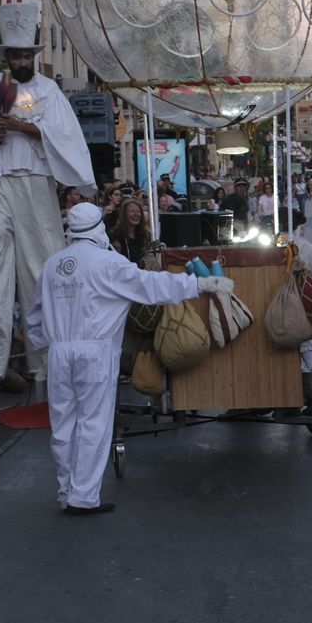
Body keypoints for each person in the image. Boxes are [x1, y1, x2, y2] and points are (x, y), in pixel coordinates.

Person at [26, 204, 223, 515]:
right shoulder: (108, 262)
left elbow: (34, 316)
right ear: (98, 227)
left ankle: (66, 492)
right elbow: (151, 286)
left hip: (59, 352)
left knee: (63, 425)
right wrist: (197, 284)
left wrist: (44, 345)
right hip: (96, 350)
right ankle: (83, 496)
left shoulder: (53, 265)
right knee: (94, 422)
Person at [0, 2, 95, 384]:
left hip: (34, 182)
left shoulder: (49, 91)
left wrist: (23, 127)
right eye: (16, 54)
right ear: (8, 57)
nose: (22, 59)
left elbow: (62, 136)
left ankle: (49, 360)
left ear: (33, 55)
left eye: (27, 53)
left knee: (40, 265)